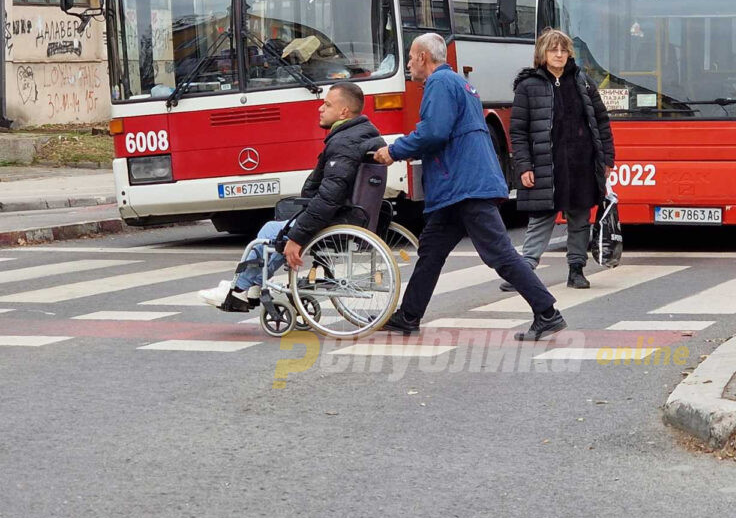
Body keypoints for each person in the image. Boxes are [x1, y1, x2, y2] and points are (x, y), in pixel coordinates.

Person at [373, 32, 566, 341]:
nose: (409, 63)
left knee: (500, 254)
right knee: (431, 251)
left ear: (424, 57)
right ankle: (408, 316)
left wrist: (394, 151)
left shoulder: (440, 83)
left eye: (410, 57)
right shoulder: (457, 83)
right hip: (460, 186)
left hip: (465, 185)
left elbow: (434, 132)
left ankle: (547, 312)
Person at [199, 82, 384, 310]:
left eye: (327, 104)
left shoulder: (344, 143)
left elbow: (329, 197)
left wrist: (297, 237)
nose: (320, 108)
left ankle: (239, 290)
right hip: (352, 216)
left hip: (338, 219)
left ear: (344, 112)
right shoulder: (363, 136)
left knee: (270, 232)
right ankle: (253, 285)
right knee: (283, 219)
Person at [501, 28, 615, 292]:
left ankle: (577, 270)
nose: (560, 55)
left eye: (564, 50)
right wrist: (524, 166)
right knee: (541, 218)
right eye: (554, 50)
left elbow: (601, 121)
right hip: (545, 164)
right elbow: (518, 132)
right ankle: (523, 271)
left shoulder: (583, 81)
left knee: (579, 218)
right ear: (542, 53)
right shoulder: (528, 86)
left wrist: (607, 157)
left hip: (581, 163)